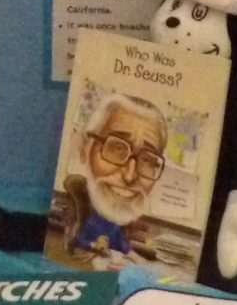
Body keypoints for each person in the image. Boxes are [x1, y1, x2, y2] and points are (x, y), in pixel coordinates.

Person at [53, 93, 169, 268]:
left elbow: (123, 246)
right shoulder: (87, 223)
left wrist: (138, 260)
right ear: (85, 148)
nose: (129, 176)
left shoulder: (115, 227)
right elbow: (79, 241)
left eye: (147, 160)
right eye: (117, 148)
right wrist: (94, 245)